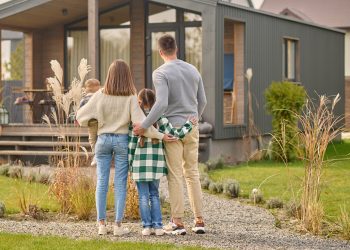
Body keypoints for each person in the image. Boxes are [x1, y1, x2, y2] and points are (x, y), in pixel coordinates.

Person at [76, 59, 175, 236]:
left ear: (109, 75)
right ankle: (117, 226)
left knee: (102, 182)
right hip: (122, 142)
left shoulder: (99, 94)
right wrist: (161, 135)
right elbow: (142, 126)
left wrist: (94, 121)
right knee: (120, 184)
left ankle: (101, 225)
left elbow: (80, 117)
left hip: (103, 140)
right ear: (127, 76)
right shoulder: (130, 97)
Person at [133, 34, 207, 235]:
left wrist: (144, 125)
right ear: (177, 49)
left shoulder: (160, 73)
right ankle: (199, 220)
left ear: (160, 52)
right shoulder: (193, 70)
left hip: (171, 131)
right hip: (191, 128)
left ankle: (178, 222)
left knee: (175, 175)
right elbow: (203, 101)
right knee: (192, 173)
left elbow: (162, 103)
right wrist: (195, 119)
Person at [129, 88, 197, 236]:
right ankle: (158, 226)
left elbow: (131, 144)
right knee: (154, 194)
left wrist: (130, 164)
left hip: (139, 165)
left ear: (139, 102)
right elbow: (175, 134)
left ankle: (147, 226)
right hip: (156, 165)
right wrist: (189, 125)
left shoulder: (135, 119)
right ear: (156, 103)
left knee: (143, 196)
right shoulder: (160, 117)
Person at [79, 78, 100, 167]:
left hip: (91, 123)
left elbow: (80, 111)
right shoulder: (100, 97)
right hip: (101, 121)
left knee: (92, 139)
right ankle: (98, 155)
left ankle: (96, 154)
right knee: (100, 137)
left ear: (87, 88)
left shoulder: (84, 99)